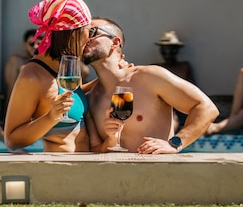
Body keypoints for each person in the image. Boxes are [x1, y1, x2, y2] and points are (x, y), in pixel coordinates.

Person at [83, 17, 219, 154]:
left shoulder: (149, 77)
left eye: (92, 32)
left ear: (115, 42)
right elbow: (94, 149)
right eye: (82, 34)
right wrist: (111, 140)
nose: (85, 39)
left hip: (158, 173)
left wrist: (175, 144)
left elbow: (207, 108)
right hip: (115, 174)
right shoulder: (90, 98)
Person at [4, 0, 93, 152]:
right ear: (73, 33)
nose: (90, 39)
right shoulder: (32, 76)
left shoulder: (68, 67)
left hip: (83, 169)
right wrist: (50, 117)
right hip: (59, 172)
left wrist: (110, 80)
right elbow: (12, 140)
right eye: (89, 31)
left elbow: (74, 97)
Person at [4, 28, 41, 102]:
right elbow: (10, 89)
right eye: (31, 43)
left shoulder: (45, 63)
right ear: (25, 45)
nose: (35, 46)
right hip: (20, 103)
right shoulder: (17, 61)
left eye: (39, 44)